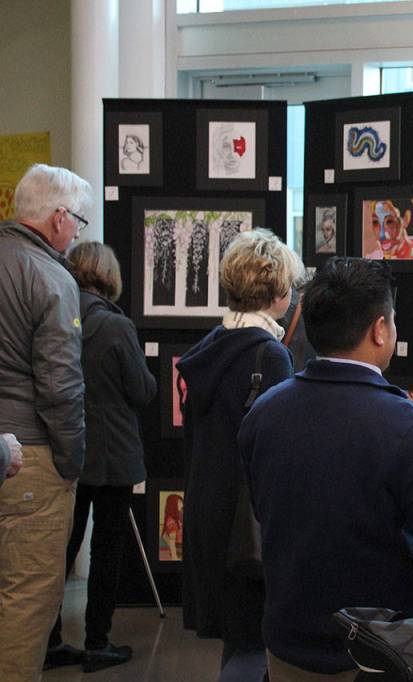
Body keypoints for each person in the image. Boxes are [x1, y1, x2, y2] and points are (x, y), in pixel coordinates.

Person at [238, 257, 413, 681]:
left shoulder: (264, 412)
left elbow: (265, 511)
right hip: (377, 652)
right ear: (379, 329)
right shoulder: (408, 426)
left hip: (285, 641)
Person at [177, 228, 304, 682]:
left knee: (237, 640)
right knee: (252, 644)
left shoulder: (210, 346)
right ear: (280, 290)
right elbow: (273, 450)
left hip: (210, 509)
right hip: (246, 522)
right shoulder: (269, 356)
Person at [45, 242, 157, 673]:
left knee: (60, 549)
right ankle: (97, 643)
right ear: (110, 275)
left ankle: (52, 640)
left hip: (65, 450)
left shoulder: (57, 317)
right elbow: (143, 390)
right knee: (107, 551)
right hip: (112, 455)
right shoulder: (115, 326)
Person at [0, 163, 90, 682]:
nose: (78, 234)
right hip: (29, 462)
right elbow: (60, 386)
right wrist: (71, 461)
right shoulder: (51, 276)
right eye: (79, 221)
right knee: (26, 607)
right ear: (58, 218)